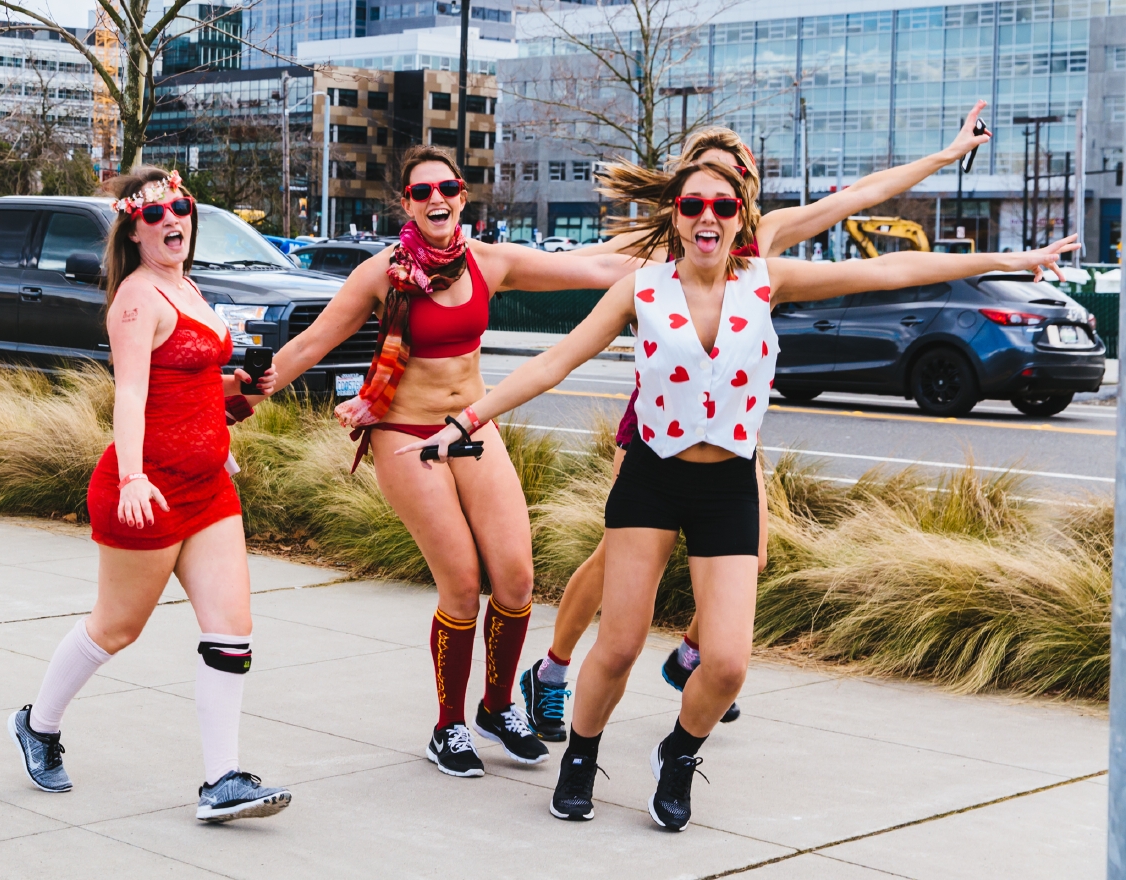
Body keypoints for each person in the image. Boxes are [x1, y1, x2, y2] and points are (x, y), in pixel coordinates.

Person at [397, 159, 1077, 829]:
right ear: (675, 214)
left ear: (741, 217)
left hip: (726, 484)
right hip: (653, 477)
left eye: (722, 208)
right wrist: (465, 421)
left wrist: (1017, 261)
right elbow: (554, 361)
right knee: (622, 644)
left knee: (725, 667)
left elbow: (889, 269)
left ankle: (679, 752)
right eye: (693, 206)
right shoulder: (643, 286)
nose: (707, 219)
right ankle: (582, 756)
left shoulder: (763, 281)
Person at [517, 103, 996, 742]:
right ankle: (551, 672)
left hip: (735, 429)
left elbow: (861, 195)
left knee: (754, 553)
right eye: (703, 187)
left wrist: (946, 154)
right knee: (614, 561)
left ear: (744, 192)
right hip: (658, 426)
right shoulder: (664, 247)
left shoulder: (763, 239)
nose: (715, 203)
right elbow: (580, 273)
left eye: (734, 184)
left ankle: (694, 659)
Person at [265, 145, 645, 778]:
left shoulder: (489, 263)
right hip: (404, 433)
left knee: (518, 578)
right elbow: (307, 345)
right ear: (407, 204)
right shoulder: (381, 273)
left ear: (463, 195)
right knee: (463, 585)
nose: (436, 199)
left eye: (447, 187)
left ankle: (499, 707)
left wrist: (681, 251)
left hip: (471, 426)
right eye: (421, 192)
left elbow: (598, 266)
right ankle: (449, 726)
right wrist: (238, 394)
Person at [7, 167, 291, 823]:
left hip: (209, 489)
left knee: (232, 632)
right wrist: (134, 477)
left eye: (182, 207)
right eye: (157, 212)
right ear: (134, 228)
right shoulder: (137, 300)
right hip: (147, 490)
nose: (174, 220)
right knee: (117, 628)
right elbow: (131, 395)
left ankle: (222, 780)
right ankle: (38, 725)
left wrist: (241, 391)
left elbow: (191, 389)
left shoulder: (186, 285)